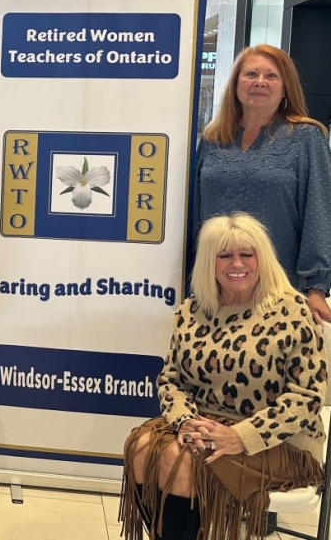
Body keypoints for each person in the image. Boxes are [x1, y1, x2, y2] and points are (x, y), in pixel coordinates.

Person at [120, 212, 327, 540]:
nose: (237, 263)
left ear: (262, 258)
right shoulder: (191, 311)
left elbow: (307, 399)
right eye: (225, 255)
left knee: (181, 460)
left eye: (247, 254)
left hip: (282, 441)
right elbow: (172, 379)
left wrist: (241, 436)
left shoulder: (293, 311)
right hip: (205, 424)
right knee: (143, 447)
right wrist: (186, 421)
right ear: (209, 262)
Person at [194, 44, 331, 326]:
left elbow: (320, 213)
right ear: (235, 84)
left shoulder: (306, 138)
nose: (259, 82)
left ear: (285, 88)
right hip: (215, 290)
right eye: (251, 74)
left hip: (278, 290)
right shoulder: (213, 139)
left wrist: (316, 288)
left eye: (271, 76)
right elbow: (195, 213)